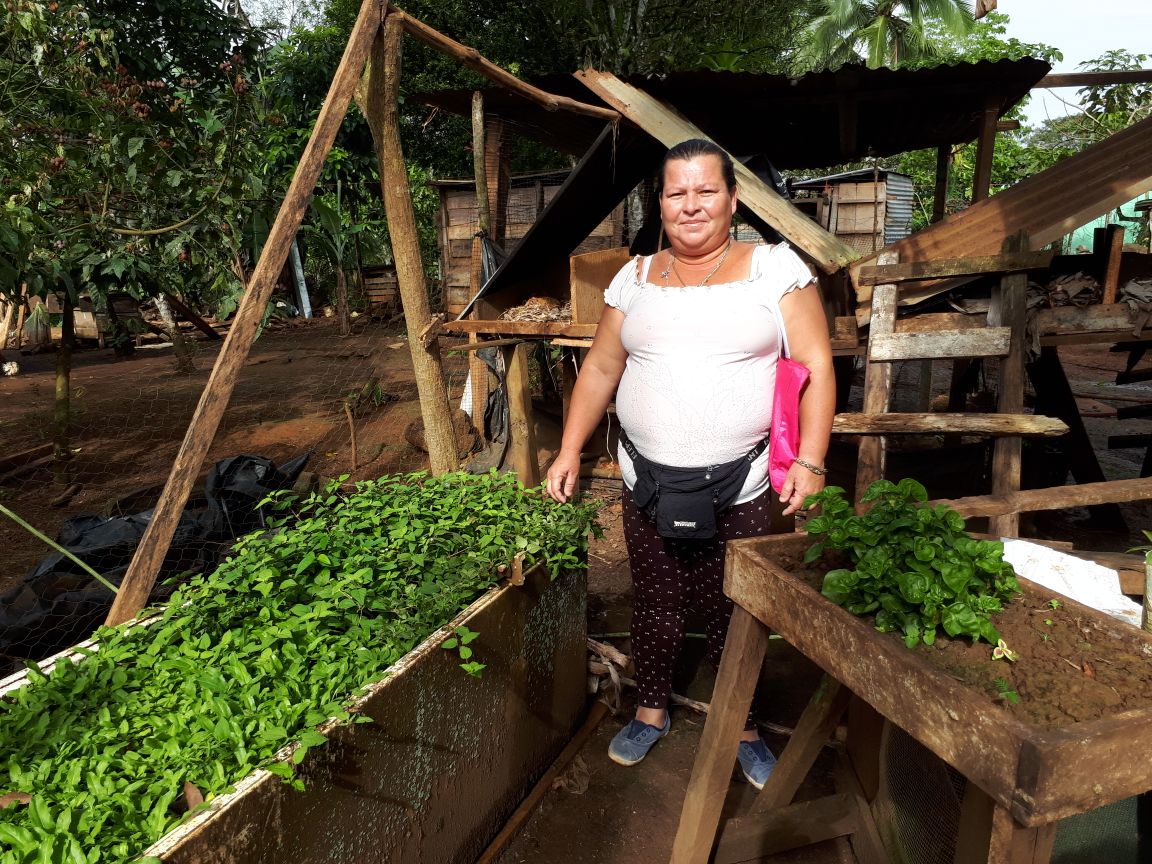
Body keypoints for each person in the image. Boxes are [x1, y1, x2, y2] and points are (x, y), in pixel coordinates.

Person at [545, 139, 835, 789]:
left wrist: (811, 461)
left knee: (738, 606)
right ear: (661, 203)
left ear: (733, 200)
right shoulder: (634, 278)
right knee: (655, 600)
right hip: (644, 477)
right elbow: (599, 367)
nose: (691, 205)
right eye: (677, 193)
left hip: (745, 478)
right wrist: (569, 448)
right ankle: (651, 708)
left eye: (706, 191)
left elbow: (815, 366)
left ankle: (745, 724)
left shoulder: (776, 270)